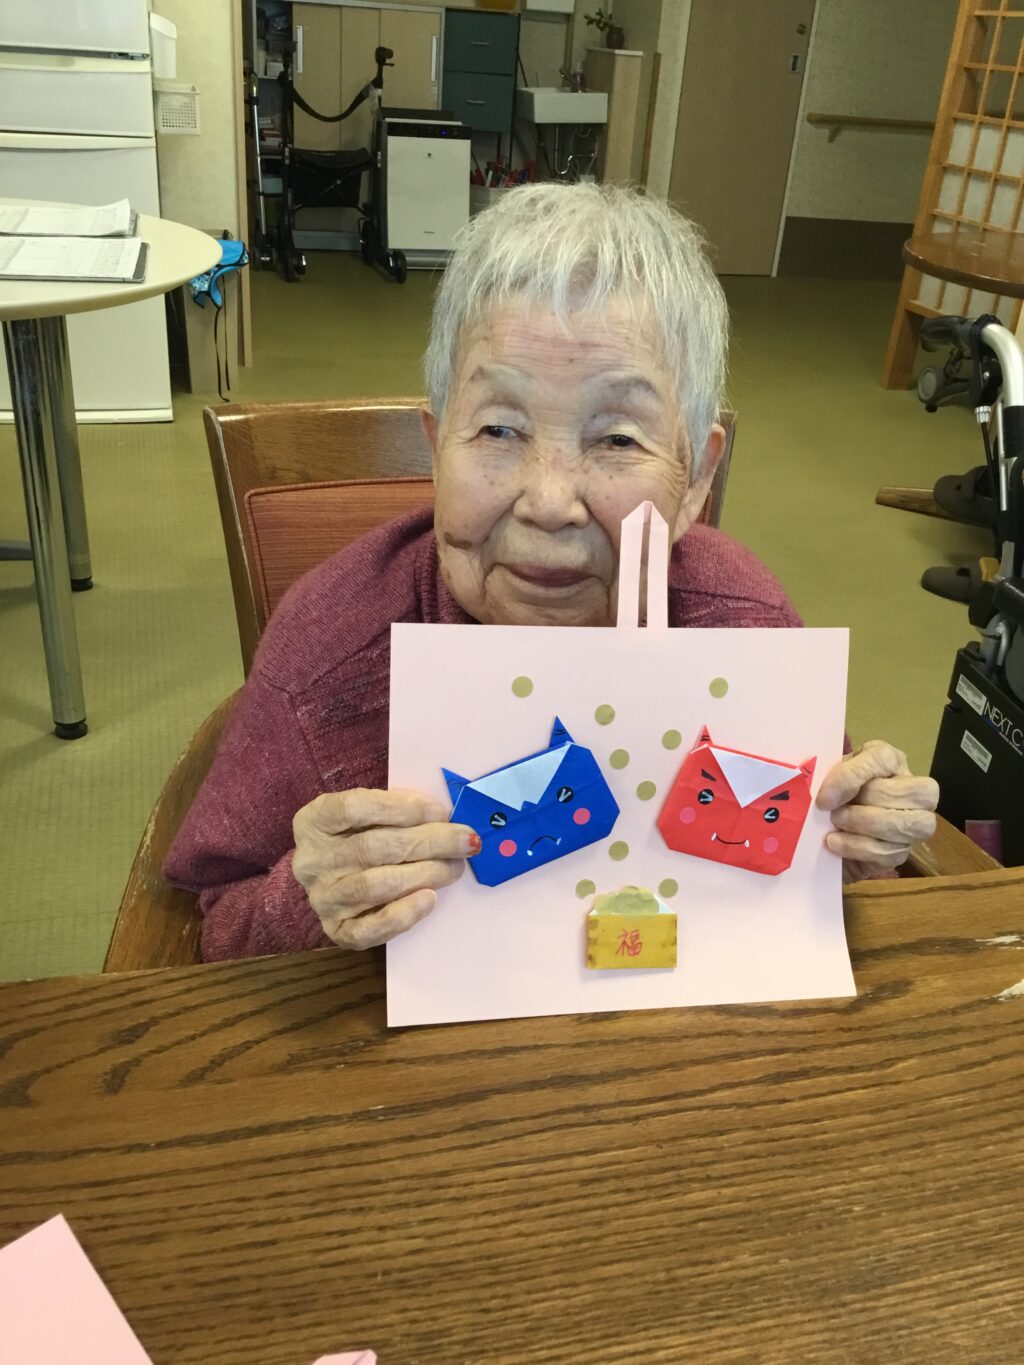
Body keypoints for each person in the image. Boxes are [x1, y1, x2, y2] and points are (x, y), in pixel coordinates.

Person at [165, 183, 939, 961]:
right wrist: (309, 898)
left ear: (696, 480)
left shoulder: (742, 622)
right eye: (499, 428)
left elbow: (827, 863)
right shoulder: (330, 651)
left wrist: (863, 839)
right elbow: (207, 923)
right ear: (436, 448)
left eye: (618, 439)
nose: (548, 501)